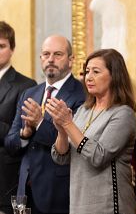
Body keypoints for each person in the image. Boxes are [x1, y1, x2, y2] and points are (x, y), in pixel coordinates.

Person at [49, 49, 136, 214]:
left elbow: (98, 156)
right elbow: (62, 157)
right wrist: (61, 130)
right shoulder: (84, 110)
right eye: (86, 71)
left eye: (96, 72)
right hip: (78, 203)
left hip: (109, 204)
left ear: (114, 76)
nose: (88, 77)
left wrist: (68, 124)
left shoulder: (123, 113)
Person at [5, 35, 85, 214]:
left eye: (58, 54)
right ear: (40, 58)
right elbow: (10, 143)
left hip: (57, 191)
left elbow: (74, 143)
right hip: (24, 190)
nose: (51, 59)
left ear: (71, 60)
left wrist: (40, 123)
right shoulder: (30, 93)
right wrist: (25, 133)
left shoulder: (81, 94)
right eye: (46, 54)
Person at [0, 21, 36, 214]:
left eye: (1, 46)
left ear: (12, 49)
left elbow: (17, 136)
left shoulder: (26, 85)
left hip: (6, 181)